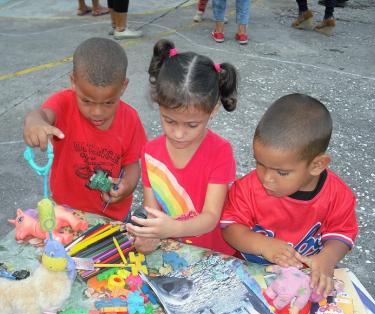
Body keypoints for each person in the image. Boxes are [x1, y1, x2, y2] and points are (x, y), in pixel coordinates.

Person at [221, 93, 358, 297]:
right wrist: (263, 245)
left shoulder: (337, 195)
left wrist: (326, 259)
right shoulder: (248, 187)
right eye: (259, 163)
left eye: (281, 172)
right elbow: (230, 228)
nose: (267, 178)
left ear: (316, 165)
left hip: (306, 279)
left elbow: (342, 234)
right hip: (251, 274)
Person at [126, 39, 238, 255]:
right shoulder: (150, 153)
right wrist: (150, 235)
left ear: (213, 110)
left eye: (192, 125)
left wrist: (173, 228)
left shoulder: (220, 152)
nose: (178, 133)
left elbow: (211, 217)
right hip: (172, 251)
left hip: (212, 254)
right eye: (169, 121)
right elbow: (152, 211)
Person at [23, 37, 147, 222]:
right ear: (73, 82)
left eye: (108, 102)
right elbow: (42, 115)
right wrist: (33, 121)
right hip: (65, 211)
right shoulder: (63, 104)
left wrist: (126, 186)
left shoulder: (130, 119)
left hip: (111, 218)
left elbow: (131, 164)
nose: (97, 112)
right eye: (87, 101)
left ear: (123, 87)